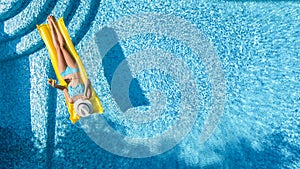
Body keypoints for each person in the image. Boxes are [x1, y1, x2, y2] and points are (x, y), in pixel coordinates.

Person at [47, 15, 93, 117]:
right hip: (74, 70)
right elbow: (87, 81)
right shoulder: (88, 96)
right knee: (63, 47)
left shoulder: (71, 100)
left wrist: (55, 86)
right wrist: (85, 93)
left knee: (58, 49)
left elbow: (64, 89)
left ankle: (50, 26)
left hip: (64, 74)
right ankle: (54, 23)